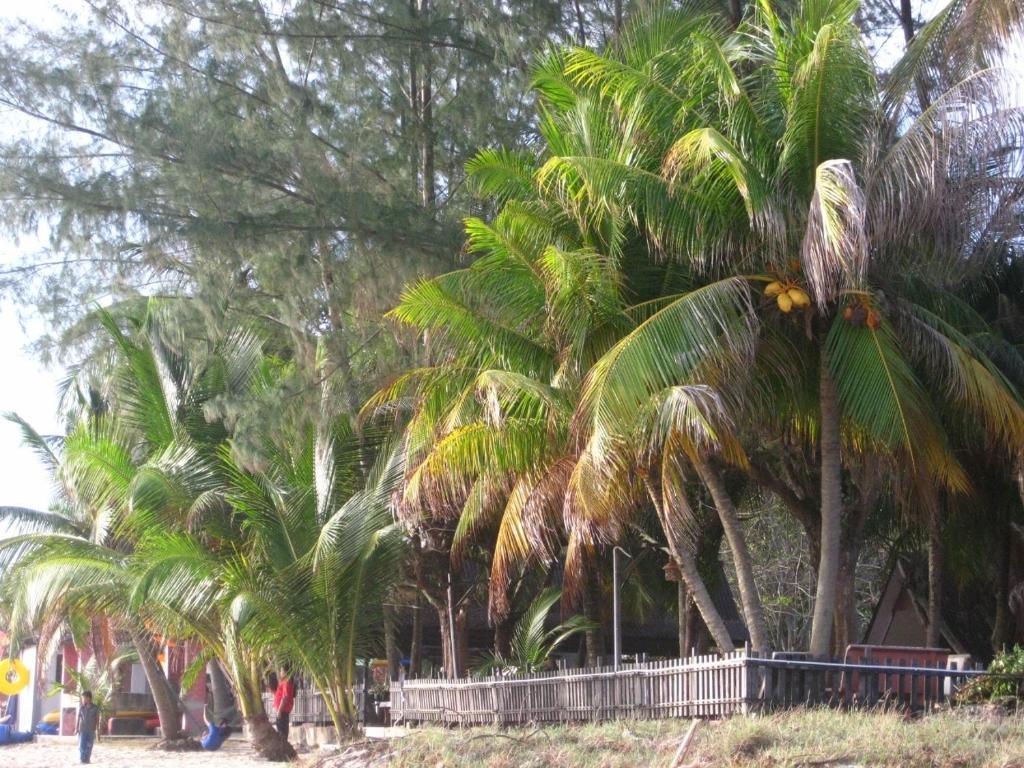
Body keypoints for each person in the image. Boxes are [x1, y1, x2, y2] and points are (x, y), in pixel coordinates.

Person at [75, 691, 99, 765]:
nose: (83, 699)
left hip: (91, 730)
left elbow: (97, 719)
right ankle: (82, 760)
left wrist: (98, 730)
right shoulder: (81, 708)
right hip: (82, 730)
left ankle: (87, 759)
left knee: (89, 746)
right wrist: (76, 728)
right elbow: (78, 718)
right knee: (82, 745)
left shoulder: (95, 708)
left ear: (88, 698)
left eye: (84, 698)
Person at [272, 668, 295, 742]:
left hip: (283, 710)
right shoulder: (285, 682)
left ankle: (283, 745)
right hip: (283, 710)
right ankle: (283, 744)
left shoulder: (286, 682)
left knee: (282, 730)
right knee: (282, 729)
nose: (280, 672)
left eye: (281, 670)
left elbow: (285, 697)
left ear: (286, 672)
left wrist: (279, 710)